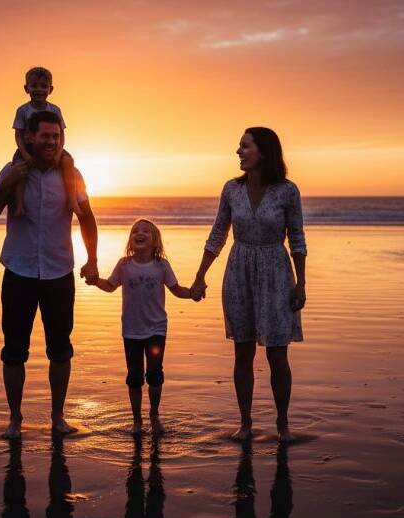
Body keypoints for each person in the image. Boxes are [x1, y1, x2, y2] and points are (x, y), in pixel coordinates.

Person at [0, 109, 99, 440]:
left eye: (57, 136)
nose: (52, 141)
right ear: (30, 137)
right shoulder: (14, 169)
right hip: (18, 271)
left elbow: (87, 218)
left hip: (59, 271)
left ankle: (58, 417)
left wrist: (92, 260)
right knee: (14, 350)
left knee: (61, 349)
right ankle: (15, 420)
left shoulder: (71, 174)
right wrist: (10, 182)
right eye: (45, 136)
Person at [190, 127, 307, 443]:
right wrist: (200, 276)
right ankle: (245, 423)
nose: (238, 151)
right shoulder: (231, 189)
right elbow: (218, 234)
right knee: (242, 353)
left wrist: (301, 283)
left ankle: (283, 424)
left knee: (277, 354)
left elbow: (296, 238)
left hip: (276, 273)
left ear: (263, 151)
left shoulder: (287, 191)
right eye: (239, 146)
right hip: (239, 270)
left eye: (245, 146)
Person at [90, 219, 194, 435]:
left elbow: (176, 289)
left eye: (146, 231)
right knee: (134, 377)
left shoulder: (161, 265)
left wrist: (192, 293)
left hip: (156, 329)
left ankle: (154, 415)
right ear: (130, 240)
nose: (140, 233)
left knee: (155, 374)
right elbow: (110, 286)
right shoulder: (124, 265)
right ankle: (137, 420)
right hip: (131, 330)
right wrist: (94, 280)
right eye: (135, 231)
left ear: (155, 241)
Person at [10, 66, 81, 217]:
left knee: (68, 161)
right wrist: (25, 154)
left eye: (44, 86)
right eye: (34, 86)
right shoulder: (23, 110)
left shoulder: (55, 110)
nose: (39, 90)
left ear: (51, 89)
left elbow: (61, 134)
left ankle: (72, 200)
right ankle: (20, 205)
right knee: (19, 168)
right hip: (27, 148)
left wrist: (58, 153)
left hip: (52, 148)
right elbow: (18, 135)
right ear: (26, 88)